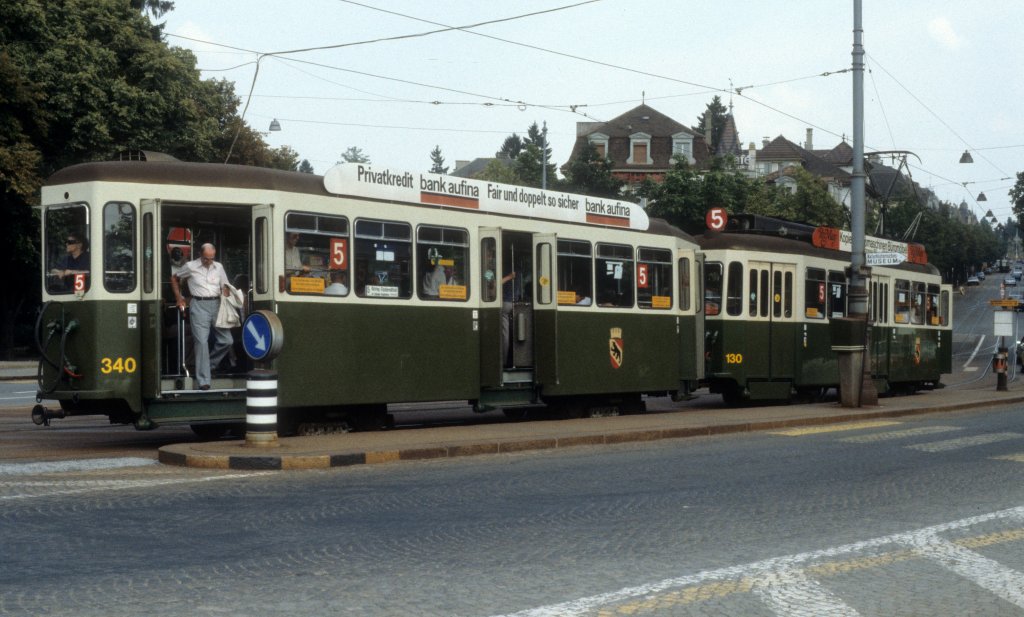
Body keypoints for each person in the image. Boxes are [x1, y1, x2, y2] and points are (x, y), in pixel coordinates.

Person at [170, 243, 233, 391]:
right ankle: (204, 380)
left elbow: (225, 286)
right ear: (200, 254)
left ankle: (208, 366)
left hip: (217, 305)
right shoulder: (191, 266)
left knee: (227, 340)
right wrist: (179, 298)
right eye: (206, 258)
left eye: (211, 258)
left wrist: (228, 294)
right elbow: (174, 278)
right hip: (199, 305)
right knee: (201, 342)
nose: (209, 261)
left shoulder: (219, 267)